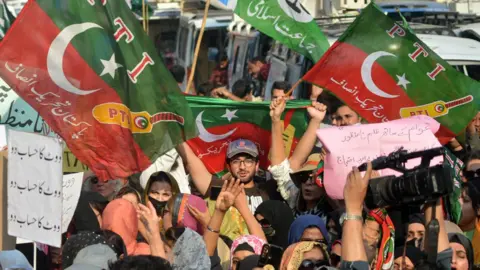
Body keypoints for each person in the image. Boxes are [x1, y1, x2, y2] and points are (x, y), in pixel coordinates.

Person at [176, 138, 281, 214]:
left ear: (257, 165)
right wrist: (170, 123)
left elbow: (282, 167)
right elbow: (190, 161)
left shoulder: (268, 190)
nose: (242, 167)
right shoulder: (220, 188)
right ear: (228, 166)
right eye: (236, 161)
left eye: (248, 161)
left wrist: (275, 119)